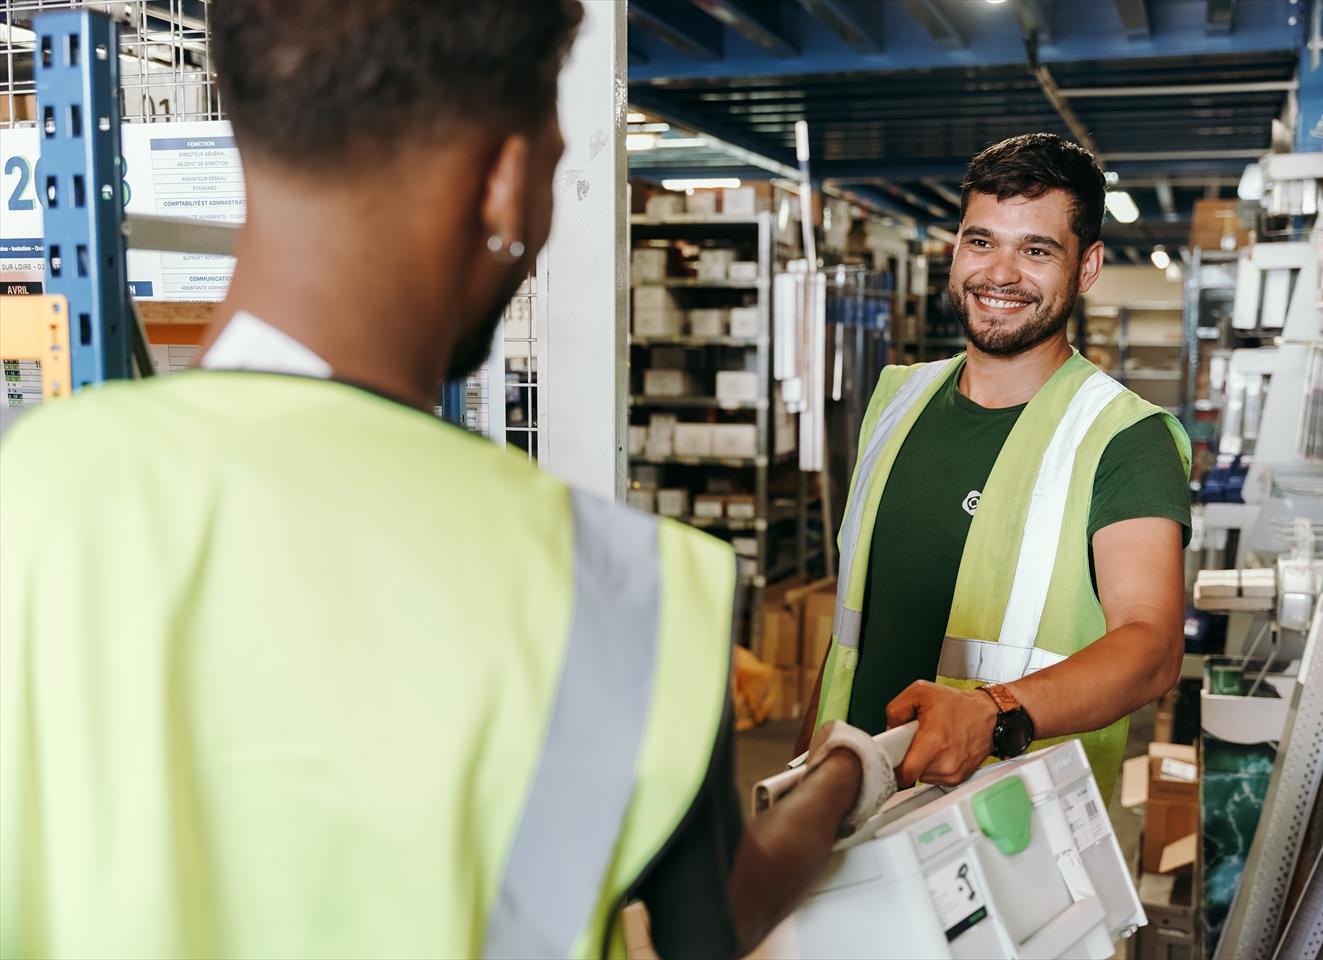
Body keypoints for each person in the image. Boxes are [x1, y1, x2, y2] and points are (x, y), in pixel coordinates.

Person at [0, 3, 896, 957]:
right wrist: (851, 767)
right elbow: (714, 923)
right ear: (509, 184)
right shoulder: (622, 589)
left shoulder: (36, 487)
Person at [797, 133, 1191, 804]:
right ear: (956, 249)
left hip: (1009, 828)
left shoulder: (1125, 438)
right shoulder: (897, 400)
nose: (1000, 274)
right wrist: (809, 760)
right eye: (981, 242)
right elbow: (857, 622)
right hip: (851, 796)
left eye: (1036, 251)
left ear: (1087, 267)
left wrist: (993, 711)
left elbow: (1151, 646)